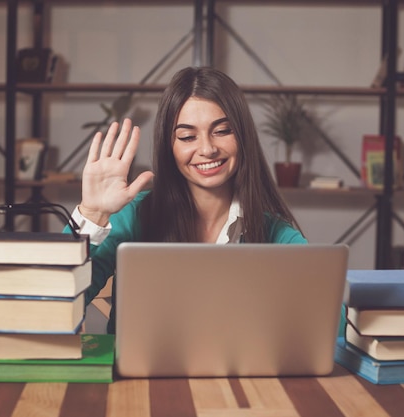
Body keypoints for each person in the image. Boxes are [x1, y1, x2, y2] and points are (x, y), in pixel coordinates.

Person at [71, 66, 307, 333]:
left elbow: (327, 320)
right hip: (139, 374)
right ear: (169, 146)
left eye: (222, 131)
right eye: (187, 136)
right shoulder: (134, 217)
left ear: (243, 138)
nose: (207, 149)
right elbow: (57, 304)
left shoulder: (276, 234)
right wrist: (92, 213)